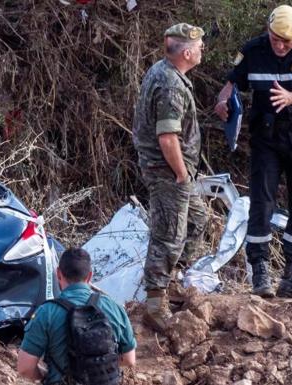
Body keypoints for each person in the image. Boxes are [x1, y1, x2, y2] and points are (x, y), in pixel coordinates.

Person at [214, 5, 292, 298]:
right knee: (261, 203)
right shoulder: (253, 51)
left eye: (286, 42)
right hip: (266, 139)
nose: (280, 45)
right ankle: (260, 272)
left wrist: (291, 97)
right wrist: (223, 101)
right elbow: (231, 84)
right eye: (275, 38)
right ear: (268, 31)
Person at [132, 23, 208, 331]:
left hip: (175, 171)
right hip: (167, 172)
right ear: (187, 52)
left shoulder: (165, 72)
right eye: (200, 46)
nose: (202, 50)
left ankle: (173, 281)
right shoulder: (171, 85)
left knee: (197, 220)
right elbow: (167, 137)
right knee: (168, 235)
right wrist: (180, 173)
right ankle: (155, 303)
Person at [17, 247, 136, 384]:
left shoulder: (46, 312)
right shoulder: (113, 307)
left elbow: (25, 368)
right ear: (90, 276)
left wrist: (45, 376)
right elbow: (129, 359)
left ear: (58, 274)